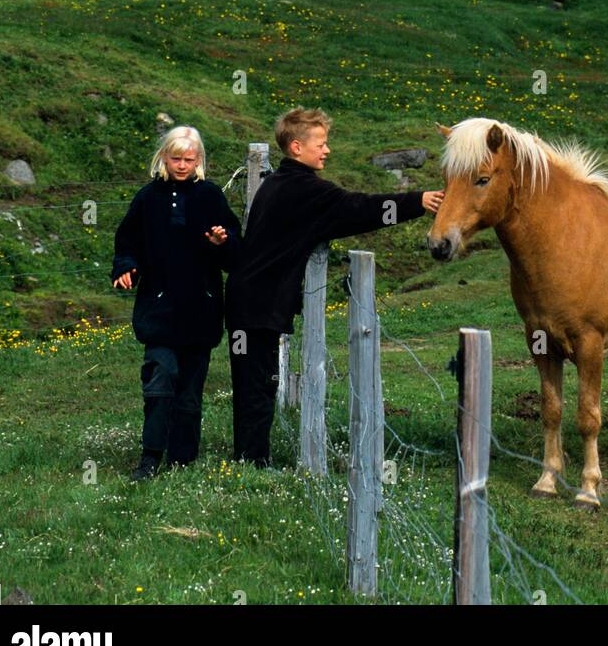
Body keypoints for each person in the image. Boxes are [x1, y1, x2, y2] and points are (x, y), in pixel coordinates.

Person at [225, 106, 444, 467]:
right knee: (258, 386)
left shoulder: (278, 182)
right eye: (321, 144)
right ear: (296, 147)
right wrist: (417, 202)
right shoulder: (305, 191)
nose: (327, 151)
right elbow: (358, 207)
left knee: (255, 382)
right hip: (258, 305)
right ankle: (252, 463)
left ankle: (250, 457)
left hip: (248, 299)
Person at [111, 125, 241, 480]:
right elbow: (127, 241)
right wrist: (126, 267)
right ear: (163, 158)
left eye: (189, 159)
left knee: (189, 391)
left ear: (199, 160)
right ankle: (151, 456)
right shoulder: (147, 198)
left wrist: (221, 242)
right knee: (160, 378)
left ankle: (184, 459)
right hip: (158, 308)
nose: (182, 165)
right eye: (175, 158)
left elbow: (235, 253)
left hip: (201, 310)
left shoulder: (212, 197)